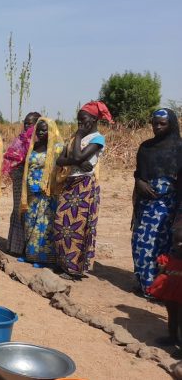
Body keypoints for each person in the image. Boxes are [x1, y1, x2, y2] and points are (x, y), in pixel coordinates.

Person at [53, 101, 112, 280]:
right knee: (61, 224)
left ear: (93, 119)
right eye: (78, 122)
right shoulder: (74, 138)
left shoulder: (97, 139)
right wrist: (77, 160)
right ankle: (64, 263)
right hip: (70, 184)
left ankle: (74, 269)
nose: (80, 124)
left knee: (78, 227)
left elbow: (75, 156)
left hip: (84, 185)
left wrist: (77, 145)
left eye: (83, 120)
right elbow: (60, 161)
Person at [132, 108, 181, 293]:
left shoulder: (179, 149)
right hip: (145, 205)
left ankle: (159, 288)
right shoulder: (146, 147)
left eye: (162, 123)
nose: (157, 127)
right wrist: (140, 183)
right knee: (140, 243)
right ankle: (144, 283)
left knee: (161, 245)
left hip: (168, 207)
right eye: (154, 123)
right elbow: (138, 174)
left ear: (171, 125)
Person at [19, 118, 64, 267]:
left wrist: (47, 185)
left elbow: (59, 170)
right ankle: (30, 254)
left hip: (47, 193)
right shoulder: (34, 146)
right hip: (31, 192)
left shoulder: (57, 148)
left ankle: (44, 258)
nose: (40, 133)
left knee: (44, 224)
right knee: (30, 222)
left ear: (51, 130)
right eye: (38, 130)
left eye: (44, 130)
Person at [3, 112, 41, 256]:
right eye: (25, 122)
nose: (26, 126)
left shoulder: (40, 140)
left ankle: (29, 247)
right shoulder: (20, 139)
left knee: (31, 211)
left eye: (30, 123)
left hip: (34, 180)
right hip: (19, 177)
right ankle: (16, 246)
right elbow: (10, 157)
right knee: (18, 208)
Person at [147, 236, 182, 346]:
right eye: (177, 241)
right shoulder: (172, 253)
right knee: (172, 313)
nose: (179, 244)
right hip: (172, 286)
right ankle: (172, 337)